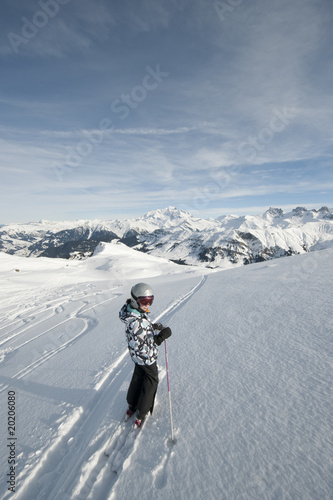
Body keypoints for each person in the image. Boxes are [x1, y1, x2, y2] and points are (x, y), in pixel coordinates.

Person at [119, 282, 172, 428]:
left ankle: (132, 404)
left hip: (136, 356)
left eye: (150, 301)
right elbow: (148, 343)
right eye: (144, 301)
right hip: (146, 357)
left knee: (138, 375)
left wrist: (151, 326)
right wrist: (162, 336)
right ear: (136, 300)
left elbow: (141, 329)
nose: (147, 305)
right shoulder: (137, 322)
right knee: (151, 380)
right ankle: (142, 412)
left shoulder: (131, 312)